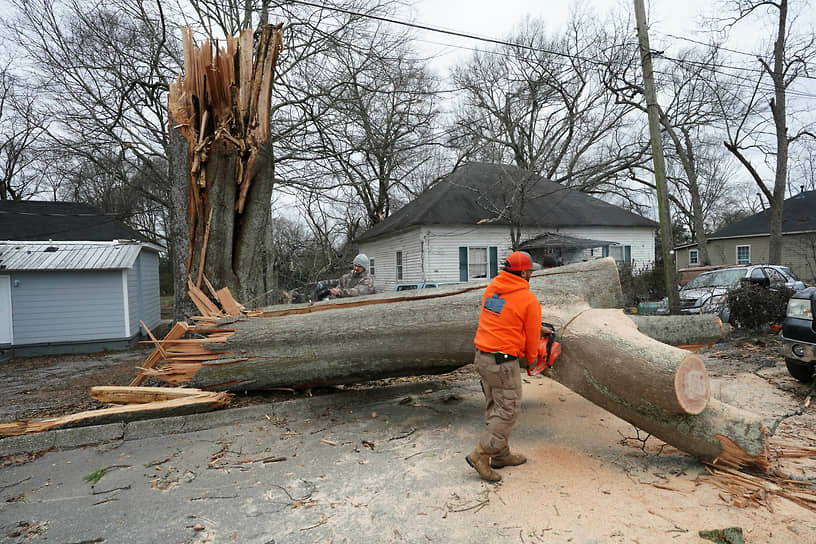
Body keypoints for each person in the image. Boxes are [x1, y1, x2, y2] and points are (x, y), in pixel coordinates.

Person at [466, 250, 542, 482]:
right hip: (503, 362)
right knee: (508, 409)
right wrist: (532, 359)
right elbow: (532, 336)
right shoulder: (528, 299)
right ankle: (481, 454)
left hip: (482, 356)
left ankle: (500, 454)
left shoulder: (493, 288)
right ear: (525, 272)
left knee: (495, 405)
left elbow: (504, 319)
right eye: (530, 271)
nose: (531, 274)